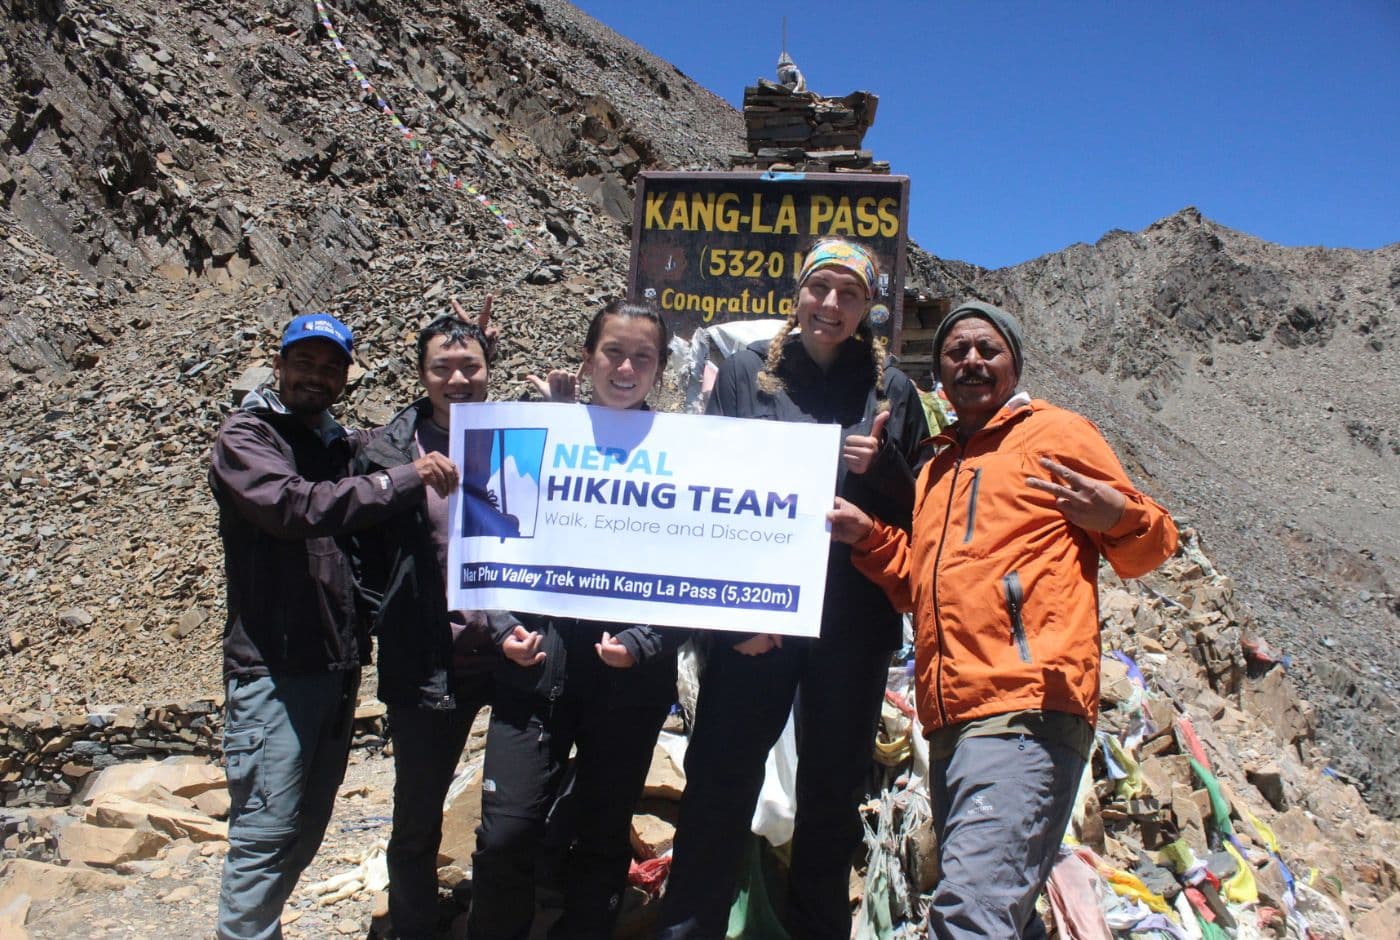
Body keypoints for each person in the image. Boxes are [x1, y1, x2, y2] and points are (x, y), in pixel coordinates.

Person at [828, 301, 1179, 938]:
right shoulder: (936, 468)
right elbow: (922, 587)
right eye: (957, 352)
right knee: (1000, 911)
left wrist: (1118, 517)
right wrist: (869, 536)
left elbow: (1154, 546)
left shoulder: (1056, 434)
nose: (972, 361)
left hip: (1026, 707)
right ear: (939, 373)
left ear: (1013, 363)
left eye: (987, 349)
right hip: (952, 718)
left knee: (971, 914)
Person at [656, 238, 930, 940]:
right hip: (758, 621)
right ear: (798, 291)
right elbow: (707, 491)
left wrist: (886, 464)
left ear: (870, 306)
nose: (831, 305)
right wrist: (726, 619)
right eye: (820, 288)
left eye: (850, 294)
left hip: (851, 623)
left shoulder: (892, 388)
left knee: (831, 795)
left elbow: (924, 511)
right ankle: (688, 928)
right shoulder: (749, 374)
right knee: (721, 780)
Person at [210, 313, 459, 940]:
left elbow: (396, 441)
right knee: (265, 836)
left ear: (345, 375)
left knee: (306, 827)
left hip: (334, 665)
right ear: (280, 364)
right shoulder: (249, 438)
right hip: (272, 669)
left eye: (330, 367)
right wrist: (408, 477)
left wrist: (450, 381)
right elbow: (299, 507)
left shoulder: (337, 443)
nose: (315, 377)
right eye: (305, 363)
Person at [468, 301, 686, 940]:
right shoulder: (537, 433)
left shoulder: (686, 453)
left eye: (642, 357)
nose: (626, 367)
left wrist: (646, 642)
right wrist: (503, 626)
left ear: (660, 368)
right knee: (505, 832)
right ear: (588, 358)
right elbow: (487, 542)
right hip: (536, 673)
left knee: (600, 833)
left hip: (630, 686)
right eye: (613, 352)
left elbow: (701, 571)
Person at [353, 315, 499, 939]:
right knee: (417, 813)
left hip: (513, 654)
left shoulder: (525, 435)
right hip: (427, 664)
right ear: (421, 374)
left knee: (513, 810)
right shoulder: (385, 450)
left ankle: (500, 918)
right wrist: (387, 614)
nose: (458, 378)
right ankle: (415, 925)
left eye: (470, 366)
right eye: (443, 367)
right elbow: (356, 553)